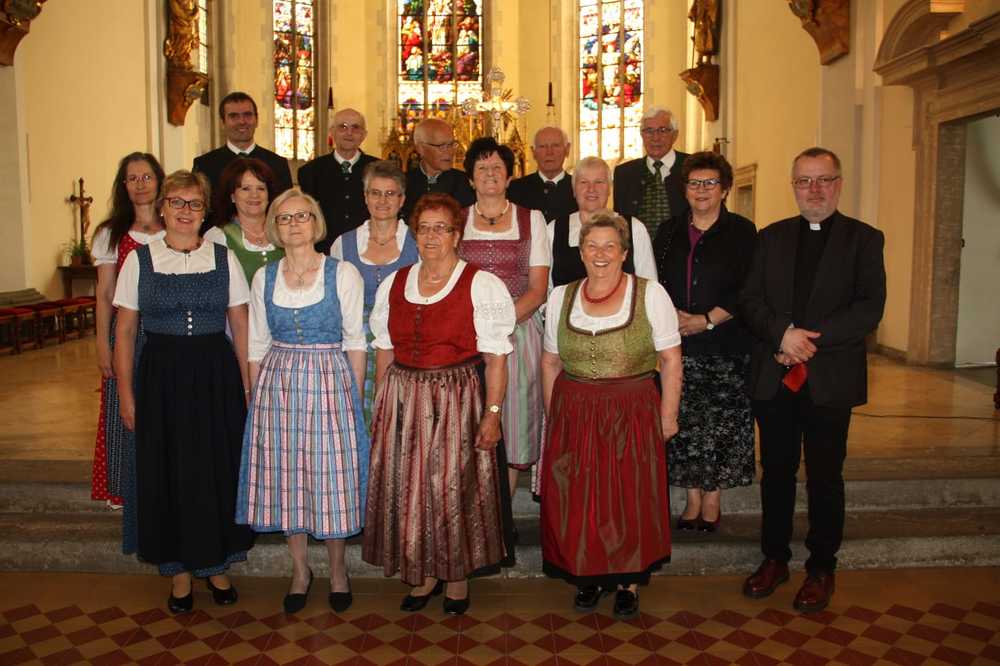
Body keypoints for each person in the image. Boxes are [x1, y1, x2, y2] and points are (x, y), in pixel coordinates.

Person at [740, 147, 886, 613]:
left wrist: (806, 342)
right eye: (804, 181)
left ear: (838, 184)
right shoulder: (771, 238)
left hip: (830, 379)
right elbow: (750, 299)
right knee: (777, 473)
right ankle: (774, 558)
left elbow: (869, 308)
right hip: (776, 375)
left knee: (825, 476)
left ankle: (822, 566)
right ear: (794, 187)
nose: (814, 190)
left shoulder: (865, 239)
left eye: (824, 180)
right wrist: (782, 334)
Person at [363, 193, 515, 616]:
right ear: (414, 234)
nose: (431, 236)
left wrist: (493, 414)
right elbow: (385, 347)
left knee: (452, 489)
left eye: (441, 228)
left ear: (456, 235)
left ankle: (456, 577)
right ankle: (425, 572)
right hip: (403, 398)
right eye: (424, 228)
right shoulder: (395, 283)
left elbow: (496, 357)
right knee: (411, 490)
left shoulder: (481, 284)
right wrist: (381, 402)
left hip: (456, 398)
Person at [113, 170, 254, 615]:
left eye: (194, 203)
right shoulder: (140, 260)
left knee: (214, 467)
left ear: (205, 210)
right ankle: (177, 571)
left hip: (215, 376)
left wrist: (247, 386)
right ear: (162, 208)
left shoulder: (223, 257)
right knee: (167, 469)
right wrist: (126, 395)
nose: (185, 211)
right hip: (161, 378)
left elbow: (240, 324)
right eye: (177, 202)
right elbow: (125, 331)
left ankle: (216, 564)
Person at [539, 211, 682, 620]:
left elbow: (671, 360)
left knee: (627, 495)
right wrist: (555, 415)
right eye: (592, 246)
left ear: (623, 253)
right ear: (581, 252)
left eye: (609, 246)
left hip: (631, 409)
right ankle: (588, 574)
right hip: (576, 409)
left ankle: (627, 582)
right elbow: (550, 361)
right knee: (579, 496)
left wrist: (667, 416)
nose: (600, 254)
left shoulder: (650, 294)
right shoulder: (560, 296)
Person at [237, 188, 369, 614]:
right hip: (278, 386)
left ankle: (338, 570)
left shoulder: (342, 273)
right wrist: (255, 399)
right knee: (287, 477)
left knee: (330, 478)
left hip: (329, 382)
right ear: (275, 227)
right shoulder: (264, 277)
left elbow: (355, 341)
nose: (294, 224)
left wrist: (352, 399)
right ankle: (299, 570)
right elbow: (256, 343)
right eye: (285, 218)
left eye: (302, 216)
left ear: (316, 223)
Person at [653, 151, 757, 533]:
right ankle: (692, 497)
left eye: (710, 183)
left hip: (726, 343)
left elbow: (749, 287)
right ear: (685, 189)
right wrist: (672, 318)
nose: (702, 190)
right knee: (686, 424)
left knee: (721, 424)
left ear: (725, 189)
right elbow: (655, 280)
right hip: (678, 343)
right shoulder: (668, 231)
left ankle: (712, 497)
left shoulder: (742, 232)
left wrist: (707, 319)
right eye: (695, 183)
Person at [458, 137, 550, 505]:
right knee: (469, 417)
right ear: (470, 178)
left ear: (510, 176)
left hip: (518, 330)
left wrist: (498, 326)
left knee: (514, 422)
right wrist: (477, 328)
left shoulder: (532, 219)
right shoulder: (456, 219)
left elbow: (538, 289)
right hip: (466, 333)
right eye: (482, 168)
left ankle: (503, 510)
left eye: (498, 167)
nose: (490, 174)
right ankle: (473, 507)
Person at [90, 153, 165, 527]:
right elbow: (105, 294)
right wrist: (102, 343)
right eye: (132, 178)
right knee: (124, 405)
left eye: (146, 176)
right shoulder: (112, 233)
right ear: (123, 185)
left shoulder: (173, 226)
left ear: (159, 181)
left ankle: (160, 481)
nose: (140, 184)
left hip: (164, 328)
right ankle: (122, 487)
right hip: (125, 330)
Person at [330, 160, 419, 423]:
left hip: (404, 344)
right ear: (365, 197)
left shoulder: (418, 243)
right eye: (375, 193)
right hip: (354, 345)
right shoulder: (343, 244)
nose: (382, 200)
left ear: (402, 199)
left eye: (390, 193)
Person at [547, 156, 656, 288]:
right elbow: (547, 288)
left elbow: (649, 285)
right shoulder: (554, 229)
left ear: (609, 188)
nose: (591, 189)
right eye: (583, 182)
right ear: (574, 190)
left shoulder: (634, 228)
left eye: (599, 182)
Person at [298, 108, 378, 253]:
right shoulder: (310, 171)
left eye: (355, 127)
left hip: (369, 249)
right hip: (324, 251)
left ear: (364, 135)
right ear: (332, 132)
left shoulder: (380, 170)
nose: (349, 133)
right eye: (343, 127)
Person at [193, 92, 293, 195]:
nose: (241, 121)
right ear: (223, 123)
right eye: (233, 116)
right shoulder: (204, 165)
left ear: (257, 120)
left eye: (247, 115)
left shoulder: (278, 164)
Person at [202, 158, 284, 283]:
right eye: (246, 189)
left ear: (269, 195)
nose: (254, 195)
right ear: (232, 196)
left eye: (261, 188)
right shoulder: (218, 237)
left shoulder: (285, 231)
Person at [613, 107, 690, 239]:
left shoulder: (693, 167)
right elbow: (621, 223)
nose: (655, 137)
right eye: (649, 131)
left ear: (675, 135)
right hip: (637, 249)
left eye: (663, 130)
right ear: (642, 135)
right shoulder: (624, 173)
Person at [402, 117, 475, 220]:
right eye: (442, 146)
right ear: (420, 148)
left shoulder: (465, 182)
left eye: (451, 145)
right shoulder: (403, 183)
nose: (450, 152)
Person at [508, 126, 577, 222]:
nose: (549, 152)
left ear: (567, 149)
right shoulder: (514, 189)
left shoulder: (579, 188)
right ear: (533, 152)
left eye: (556, 145)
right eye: (542, 146)